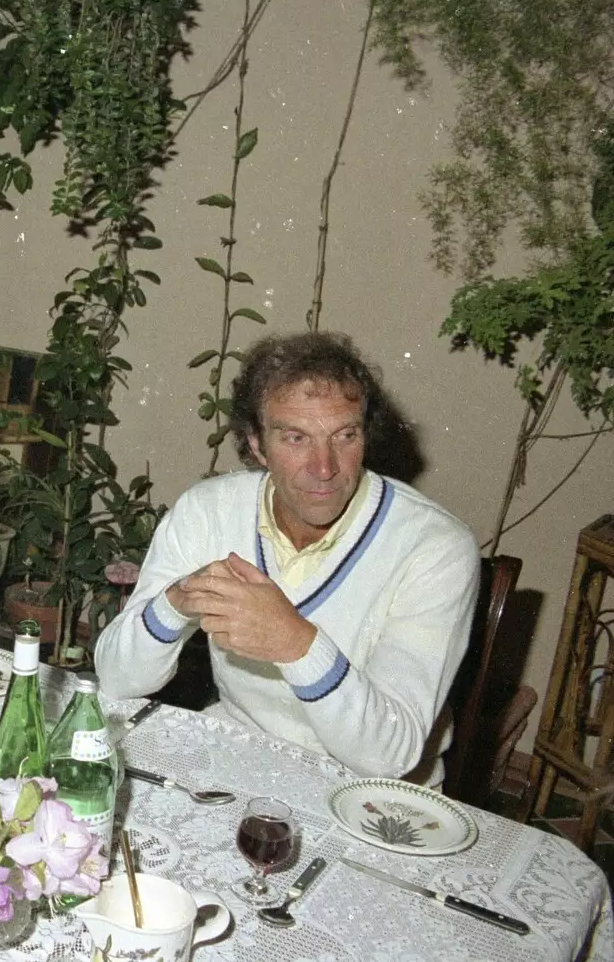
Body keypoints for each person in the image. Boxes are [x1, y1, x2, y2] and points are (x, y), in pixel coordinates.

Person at [93, 332, 479, 785]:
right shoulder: (209, 511)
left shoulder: (435, 547)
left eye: (345, 435)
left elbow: (389, 754)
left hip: (375, 792)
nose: (324, 467)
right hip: (241, 756)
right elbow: (117, 681)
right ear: (256, 444)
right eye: (296, 438)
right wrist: (175, 603)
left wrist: (294, 642)